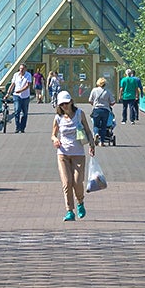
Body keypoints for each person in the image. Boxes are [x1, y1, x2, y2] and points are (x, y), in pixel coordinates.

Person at [51, 91, 97, 220]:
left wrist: (92, 145)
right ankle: (69, 211)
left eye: (66, 103)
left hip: (78, 153)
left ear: (71, 101)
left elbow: (88, 130)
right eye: (62, 104)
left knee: (77, 182)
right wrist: (55, 139)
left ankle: (80, 203)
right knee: (66, 182)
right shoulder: (58, 117)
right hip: (63, 153)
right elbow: (53, 134)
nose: (64, 106)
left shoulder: (79, 114)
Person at [8, 63, 33, 133]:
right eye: (20, 68)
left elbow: (27, 85)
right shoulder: (16, 75)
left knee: (25, 113)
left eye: (22, 69)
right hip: (16, 96)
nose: (21, 70)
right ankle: (17, 127)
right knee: (17, 111)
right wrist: (8, 93)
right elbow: (12, 84)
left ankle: (22, 127)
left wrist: (20, 90)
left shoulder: (28, 75)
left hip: (25, 96)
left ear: (25, 69)